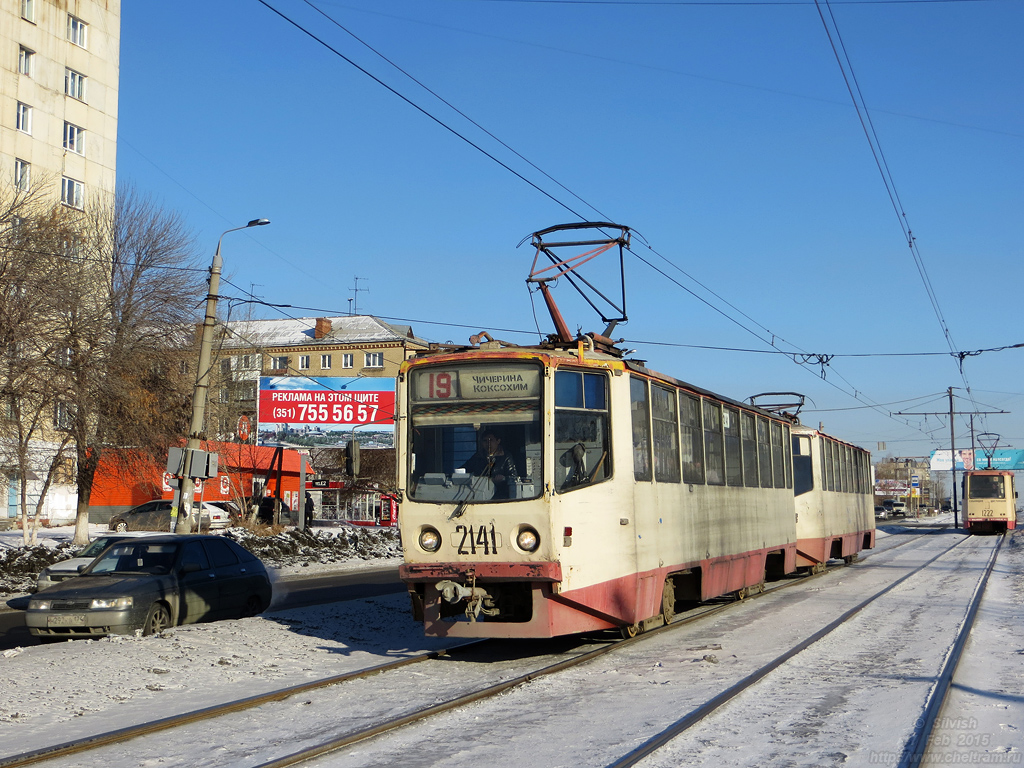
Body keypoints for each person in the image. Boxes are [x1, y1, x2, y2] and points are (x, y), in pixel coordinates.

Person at [462, 430, 519, 499]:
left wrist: (503, 478)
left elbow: (513, 476)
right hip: (480, 495)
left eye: (490, 440)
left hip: (501, 495)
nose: (488, 444)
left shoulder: (505, 456)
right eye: (485, 441)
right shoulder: (477, 456)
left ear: (498, 441)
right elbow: (465, 469)